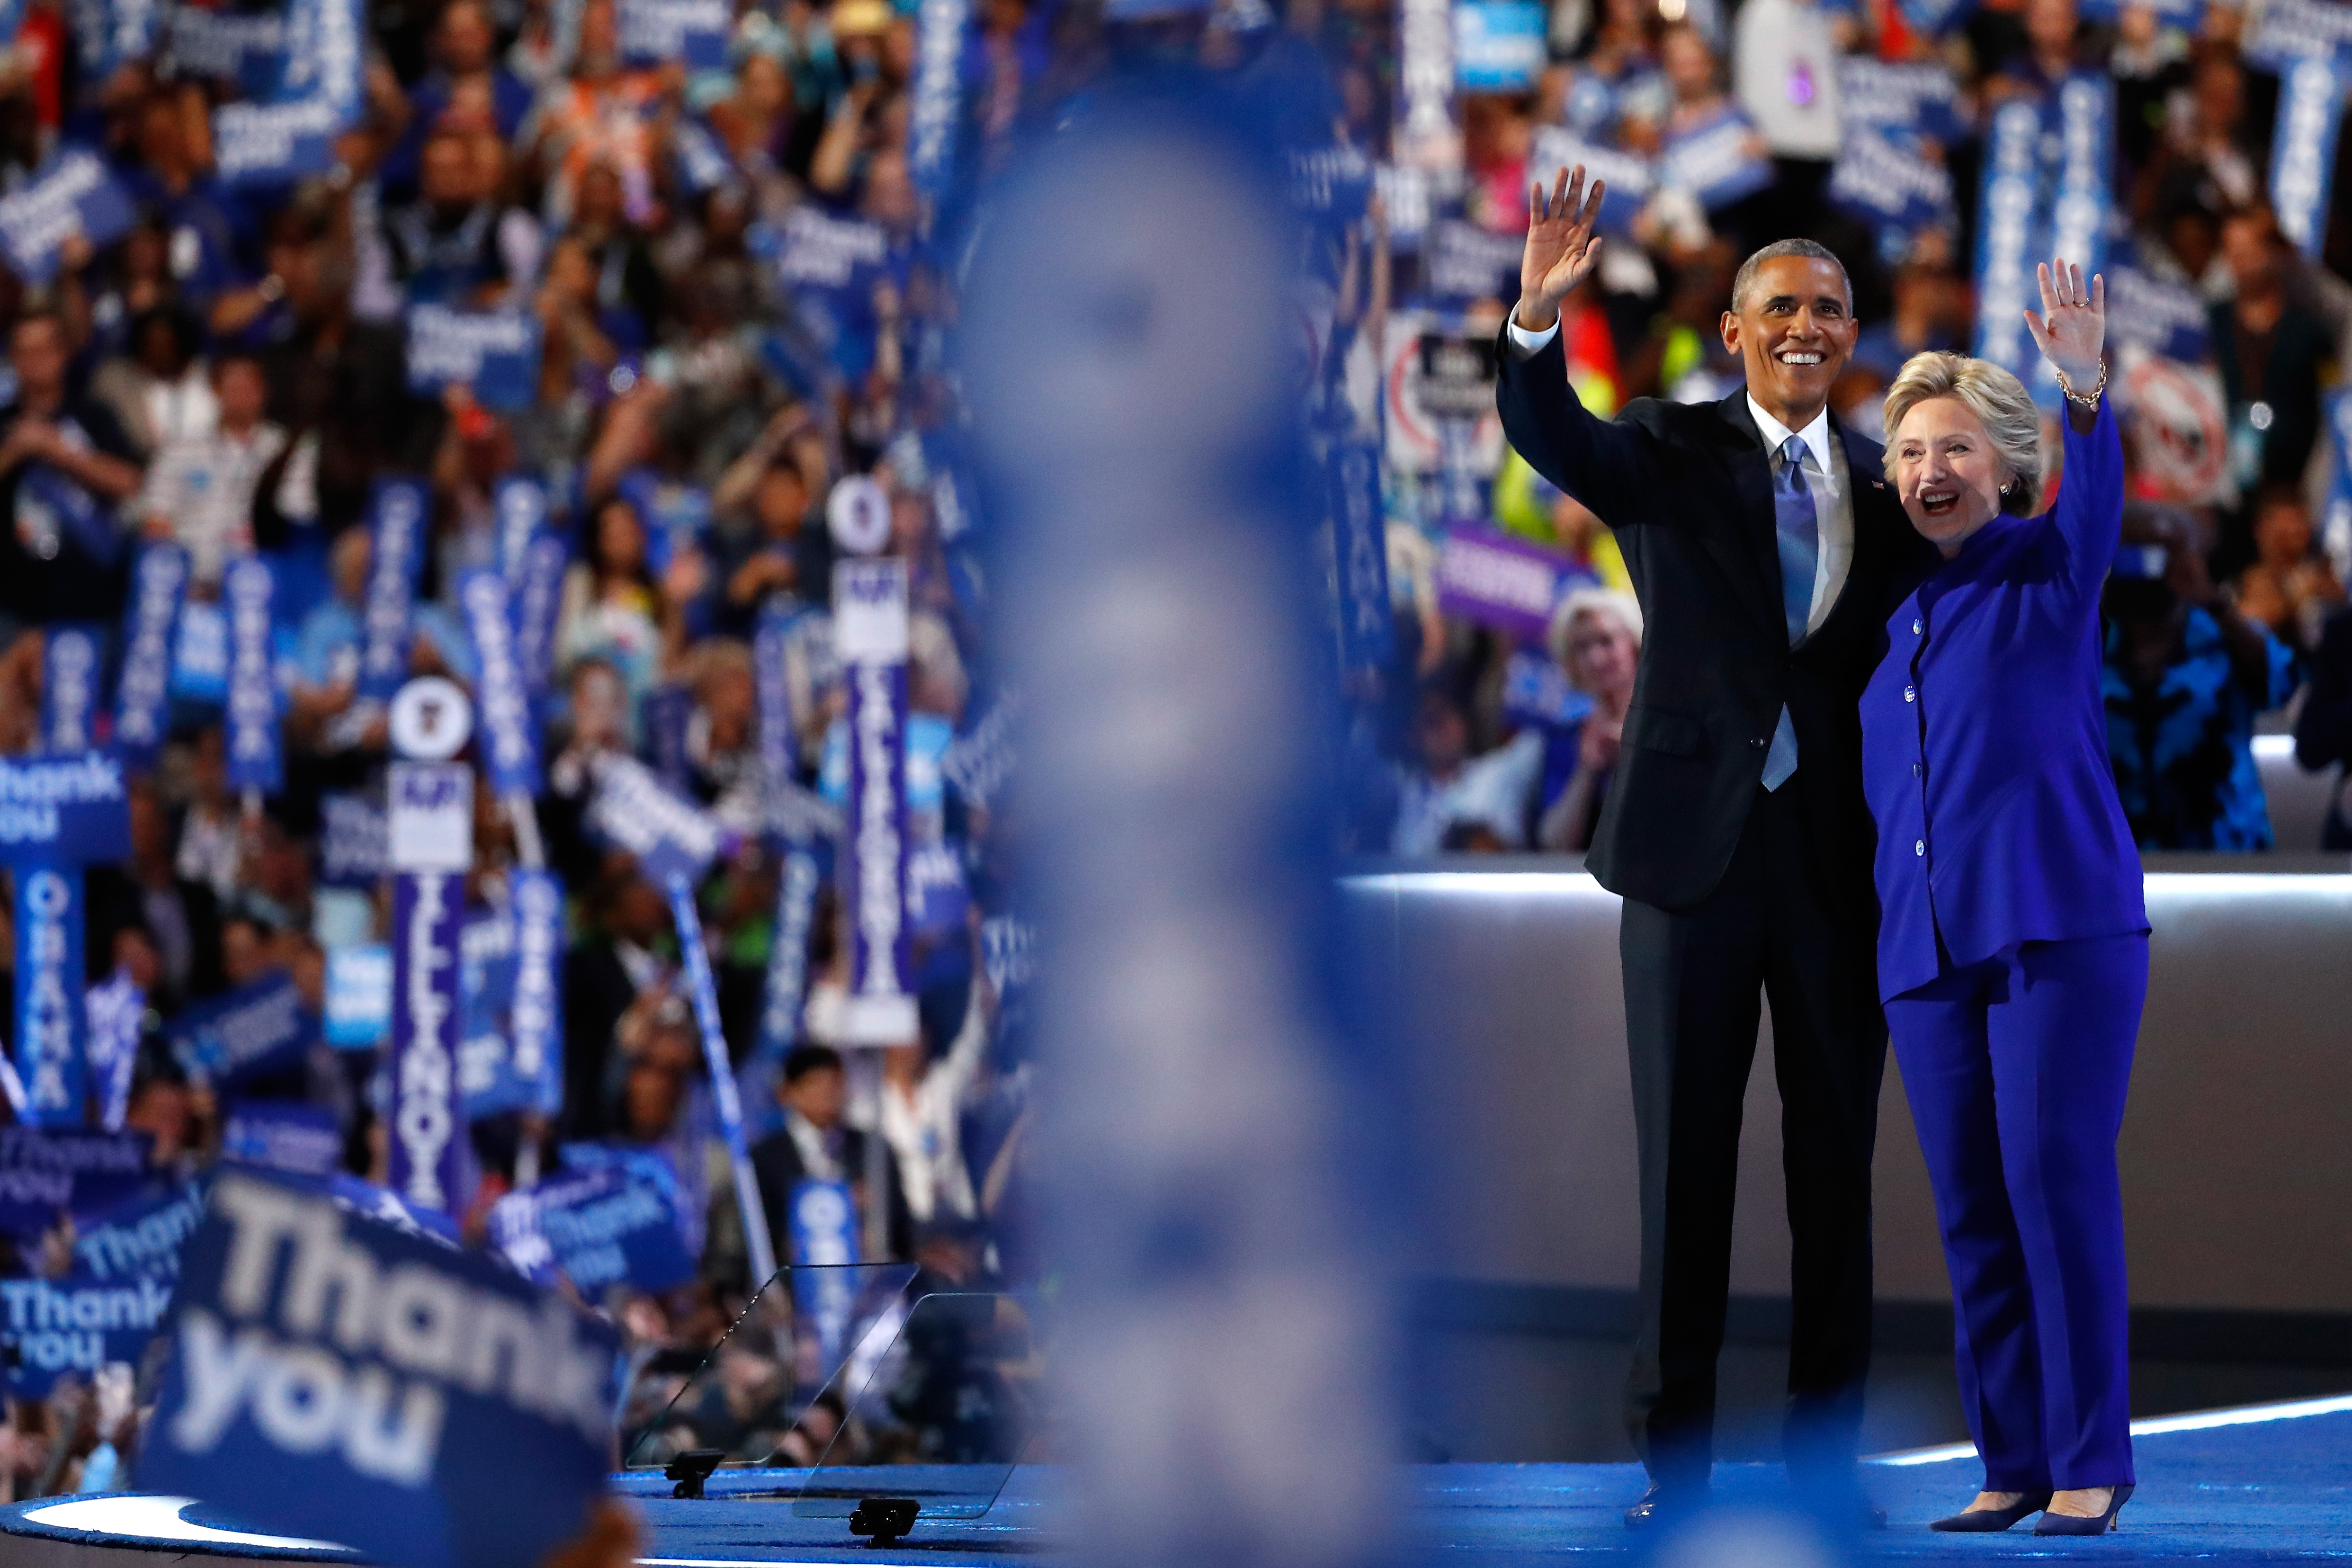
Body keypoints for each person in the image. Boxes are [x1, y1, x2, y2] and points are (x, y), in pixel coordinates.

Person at [1497, 167, 1938, 1527]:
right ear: (1735, 332)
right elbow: (1547, 436)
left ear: (1848, 333)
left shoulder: (1888, 482)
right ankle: (1668, 1468)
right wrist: (1531, 319)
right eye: (1777, 307)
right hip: (1687, 860)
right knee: (1680, 1171)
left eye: (1826, 308)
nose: (1804, 325)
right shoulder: (1663, 447)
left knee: (1830, 1170)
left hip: (1830, 867)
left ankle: (1821, 1462)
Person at [1864, 259, 2146, 1534]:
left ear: (2005, 467)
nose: (1927, 466)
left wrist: (2082, 384)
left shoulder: (2047, 564)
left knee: (2050, 1180)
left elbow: (2095, 495)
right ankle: (2011, 1456)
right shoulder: (1886, 621)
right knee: (1969, 1207)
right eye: (1908, 447)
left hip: (2051, 923)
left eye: (1954, 447)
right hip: (1922, 947)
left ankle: (2090, 1455)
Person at [2102, 503, 2294, 851]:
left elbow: (2281, 685)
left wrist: (2213, 602)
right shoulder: (2084, 646)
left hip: (2224, 855)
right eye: (2124, 554)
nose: (2139, 570)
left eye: (2155, 556)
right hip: (2113, 862)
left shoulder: (2224, 639)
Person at [1536, 586, 1640, 852]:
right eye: (1581, 647)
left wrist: (1635, 756)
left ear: (1636, 645)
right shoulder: (1564, 738)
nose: (1594, 658)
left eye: (1606, 641)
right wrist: (1588, 770)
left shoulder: (1667, 729)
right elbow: (1553, 841)